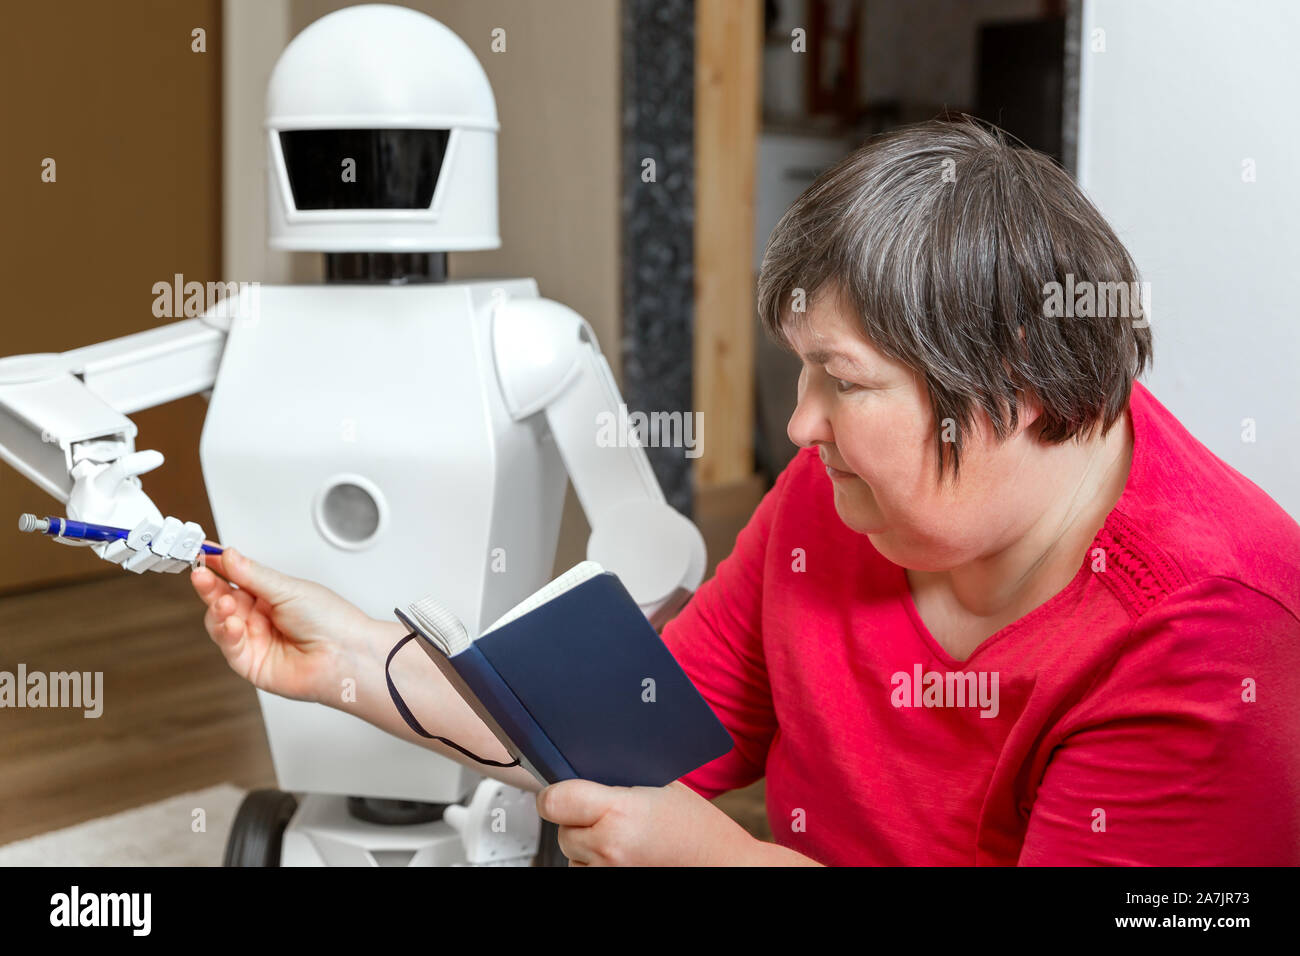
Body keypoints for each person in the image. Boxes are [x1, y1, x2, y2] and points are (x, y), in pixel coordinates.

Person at [192, 117, 1300, 865]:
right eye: (801, 369)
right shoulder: (844, 494)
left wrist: (717, 858)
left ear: (1007, 384)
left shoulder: (1209, 633)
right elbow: (621, 733)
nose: (799, 424)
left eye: (843, 381)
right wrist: (343, 658)